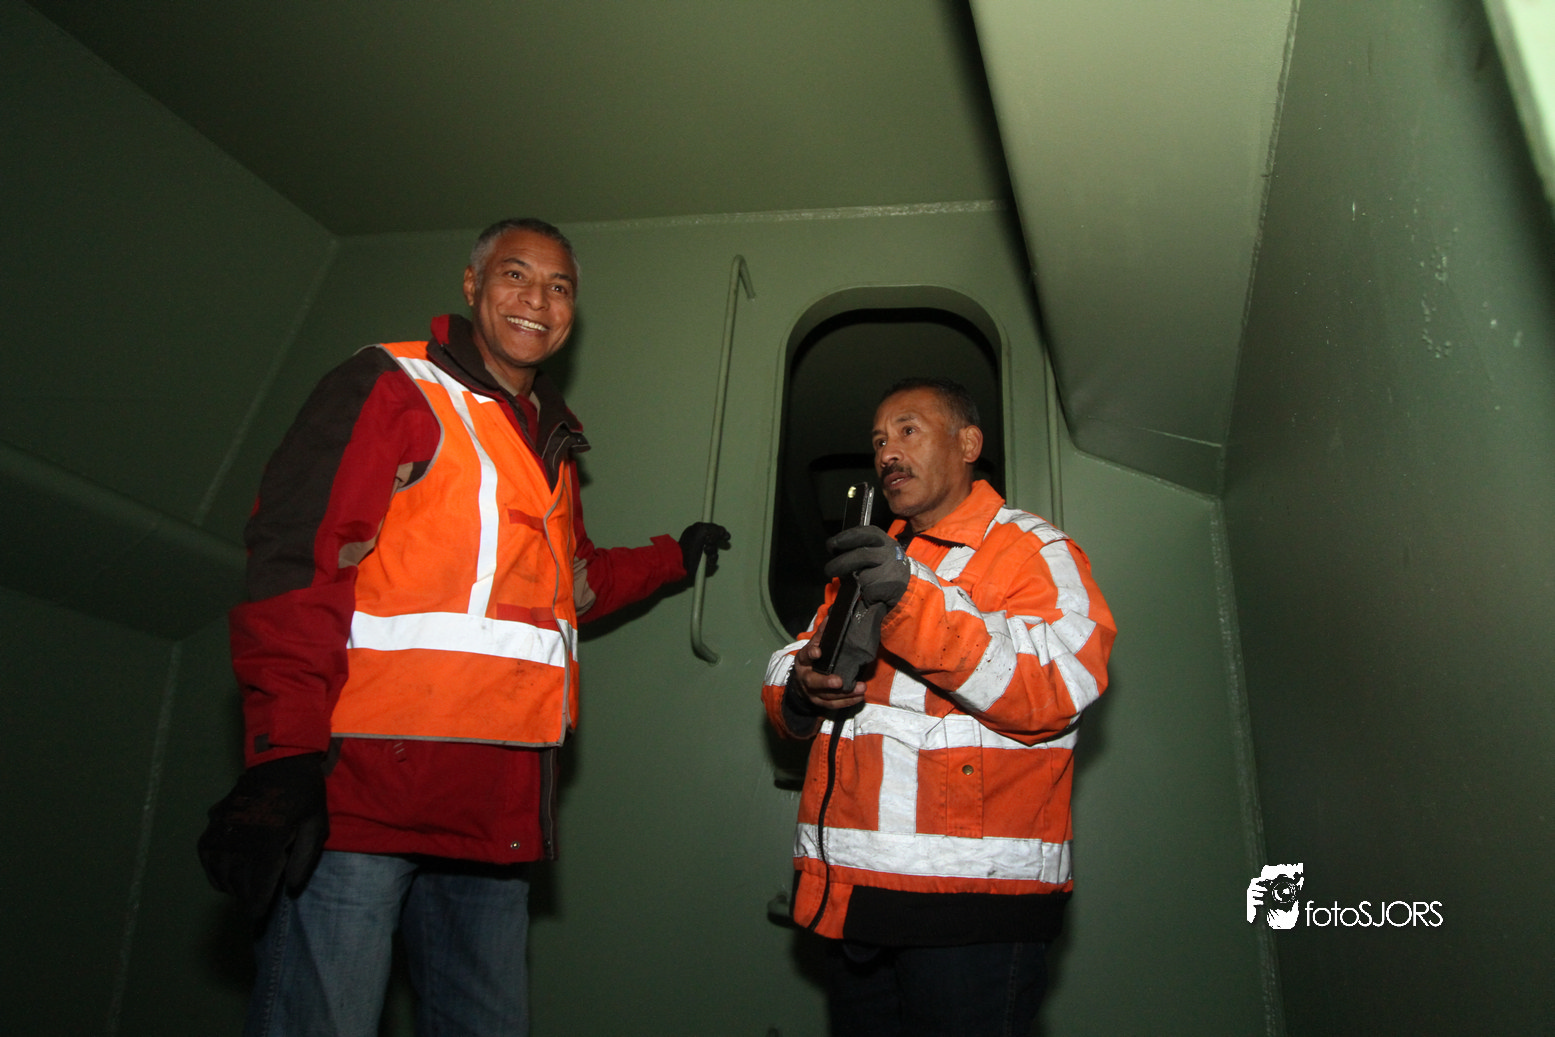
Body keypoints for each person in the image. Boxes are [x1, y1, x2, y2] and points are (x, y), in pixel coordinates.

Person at [198, 217, 729, 1036]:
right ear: (472, 284)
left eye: (559, 286)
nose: (537, 300)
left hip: (495, 810)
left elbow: (572, 585)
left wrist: (672, 558)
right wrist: (283, 754)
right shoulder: (394, 385)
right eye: (516, 275)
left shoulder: (549, 439)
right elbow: (299, 563)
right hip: (361, 798)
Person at [761, 377, 1115, 1035]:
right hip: (856, 904)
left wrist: (907, 597)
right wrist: (802, 686)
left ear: (968, 443)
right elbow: (795, 655)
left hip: (971, 914)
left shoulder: (1033, 549)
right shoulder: (870, 558)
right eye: (877, 441)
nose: (887, 453)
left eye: (907, 430)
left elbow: (1058, 685)